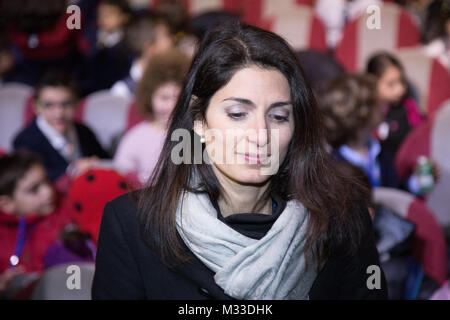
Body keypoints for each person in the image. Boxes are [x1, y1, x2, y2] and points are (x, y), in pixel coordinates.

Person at [92, 22, 387, 300]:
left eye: (278, 116)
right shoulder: (132, 226)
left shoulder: (342, 219)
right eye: (237, 114)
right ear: (199, 120)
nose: (260, 135)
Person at [13, 69, 109, 182]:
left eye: (66, 104)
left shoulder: (84, 132)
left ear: (77, 104)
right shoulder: (24, 142)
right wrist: (72, 170)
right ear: (36, 107)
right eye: (49, 105)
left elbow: (105, 161)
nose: (59, 113)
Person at [0, 151, 70, 299]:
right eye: (34, 189)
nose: (47, 192)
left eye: (47, 181)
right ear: (6, 203)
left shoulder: (66, 214)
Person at [113, 49, 190, 185]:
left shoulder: (199, 134)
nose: (172, 106)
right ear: (149, 97)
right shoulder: (135, 138)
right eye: (164, 98)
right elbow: (118, 181)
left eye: (178, 98)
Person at [318, 73, 400, 189]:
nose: (384, 109)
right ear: (362, 113)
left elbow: (395, 190)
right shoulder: (335, 165)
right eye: (378, 105)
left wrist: (414, 184)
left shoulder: (381, 152)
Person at [366, 52, 423, 158]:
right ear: (372, 83)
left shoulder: (409, 107)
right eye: (391, 84)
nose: (400, 89)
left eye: (402, 81)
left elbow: (420, 135)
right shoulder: (367, 113)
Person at [110, 12, 174, 98]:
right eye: (166, 36)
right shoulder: (123, 92)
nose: (171, 41)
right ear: (150, 49)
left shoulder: (171, 82)